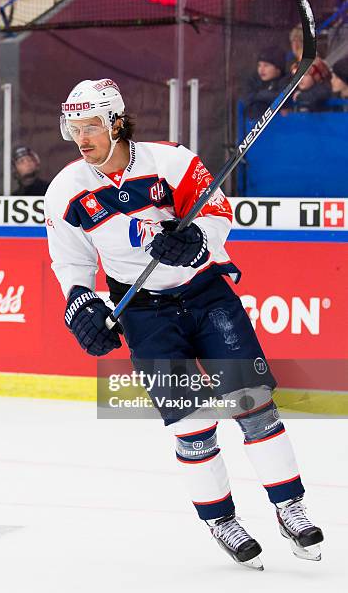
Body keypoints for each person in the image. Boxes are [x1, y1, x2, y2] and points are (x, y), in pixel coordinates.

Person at [45, 78, 324, 570]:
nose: (81, 138)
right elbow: (69, 263)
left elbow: (217, 213)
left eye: (90, 126)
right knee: (192, 425)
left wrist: (196, 239)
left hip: (205, 292)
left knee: (254, 404)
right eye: (74, 129)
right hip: (142, 310)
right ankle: (221, 519)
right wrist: (81, 305)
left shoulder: (171, 161)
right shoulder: (67, 189)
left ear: (115, 122)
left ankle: (290, 508)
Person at [244, 46, 290, 120]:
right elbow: (248, 99)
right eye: (259, 65)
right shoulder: (254, 81)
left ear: (278, 69)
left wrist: (259, 95)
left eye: (266, 65)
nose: (261, 69)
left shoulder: (286, 80)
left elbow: (282, 99)